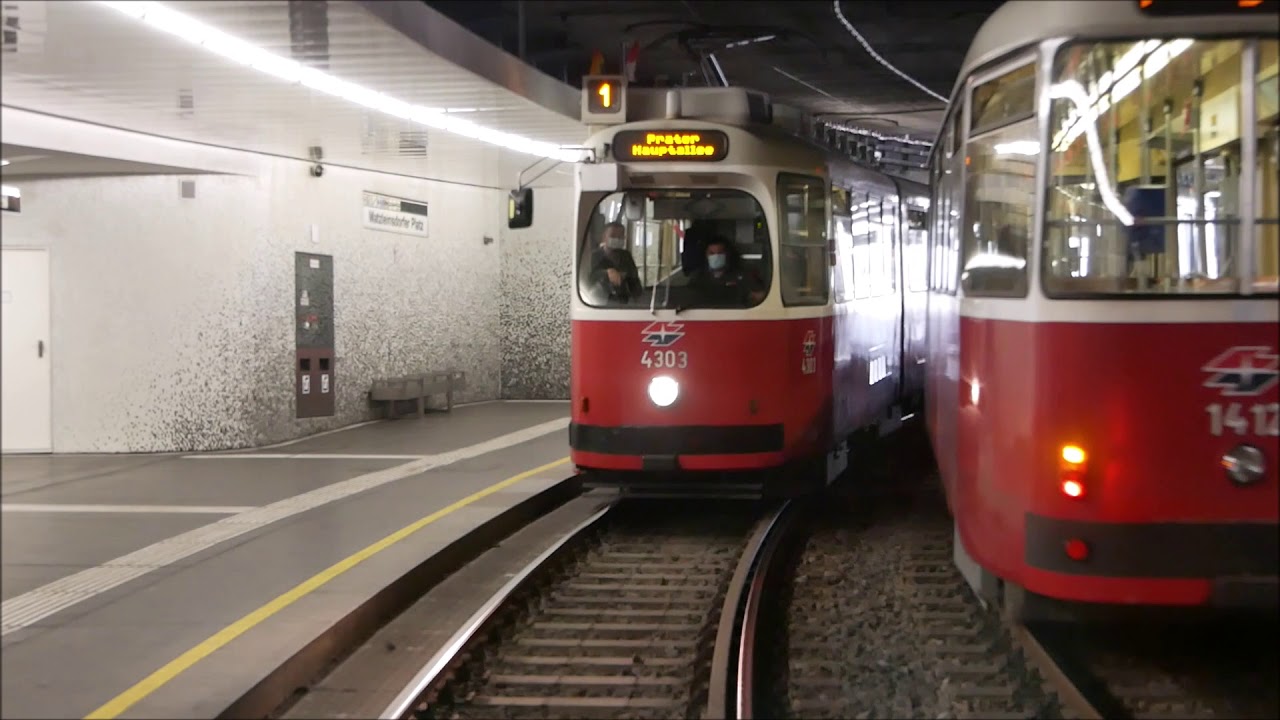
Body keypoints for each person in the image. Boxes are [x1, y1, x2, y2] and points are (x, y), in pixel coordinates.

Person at [688, 237, 766, 306]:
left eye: (720, 253)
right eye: (712, 253)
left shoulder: (742, 275)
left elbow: (761, 296)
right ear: (706, 255)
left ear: (727, 254)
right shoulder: (698, 278)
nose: (716, 256)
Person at [589, 221, 642, 301]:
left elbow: (635, 282)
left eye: (620, 236)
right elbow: (590, 278)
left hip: (624, 302)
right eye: (613, 236)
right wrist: (607, 273)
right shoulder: (594, 256)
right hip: (600, 302)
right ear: (604, 237)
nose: (617, 239)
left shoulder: (626, 256)